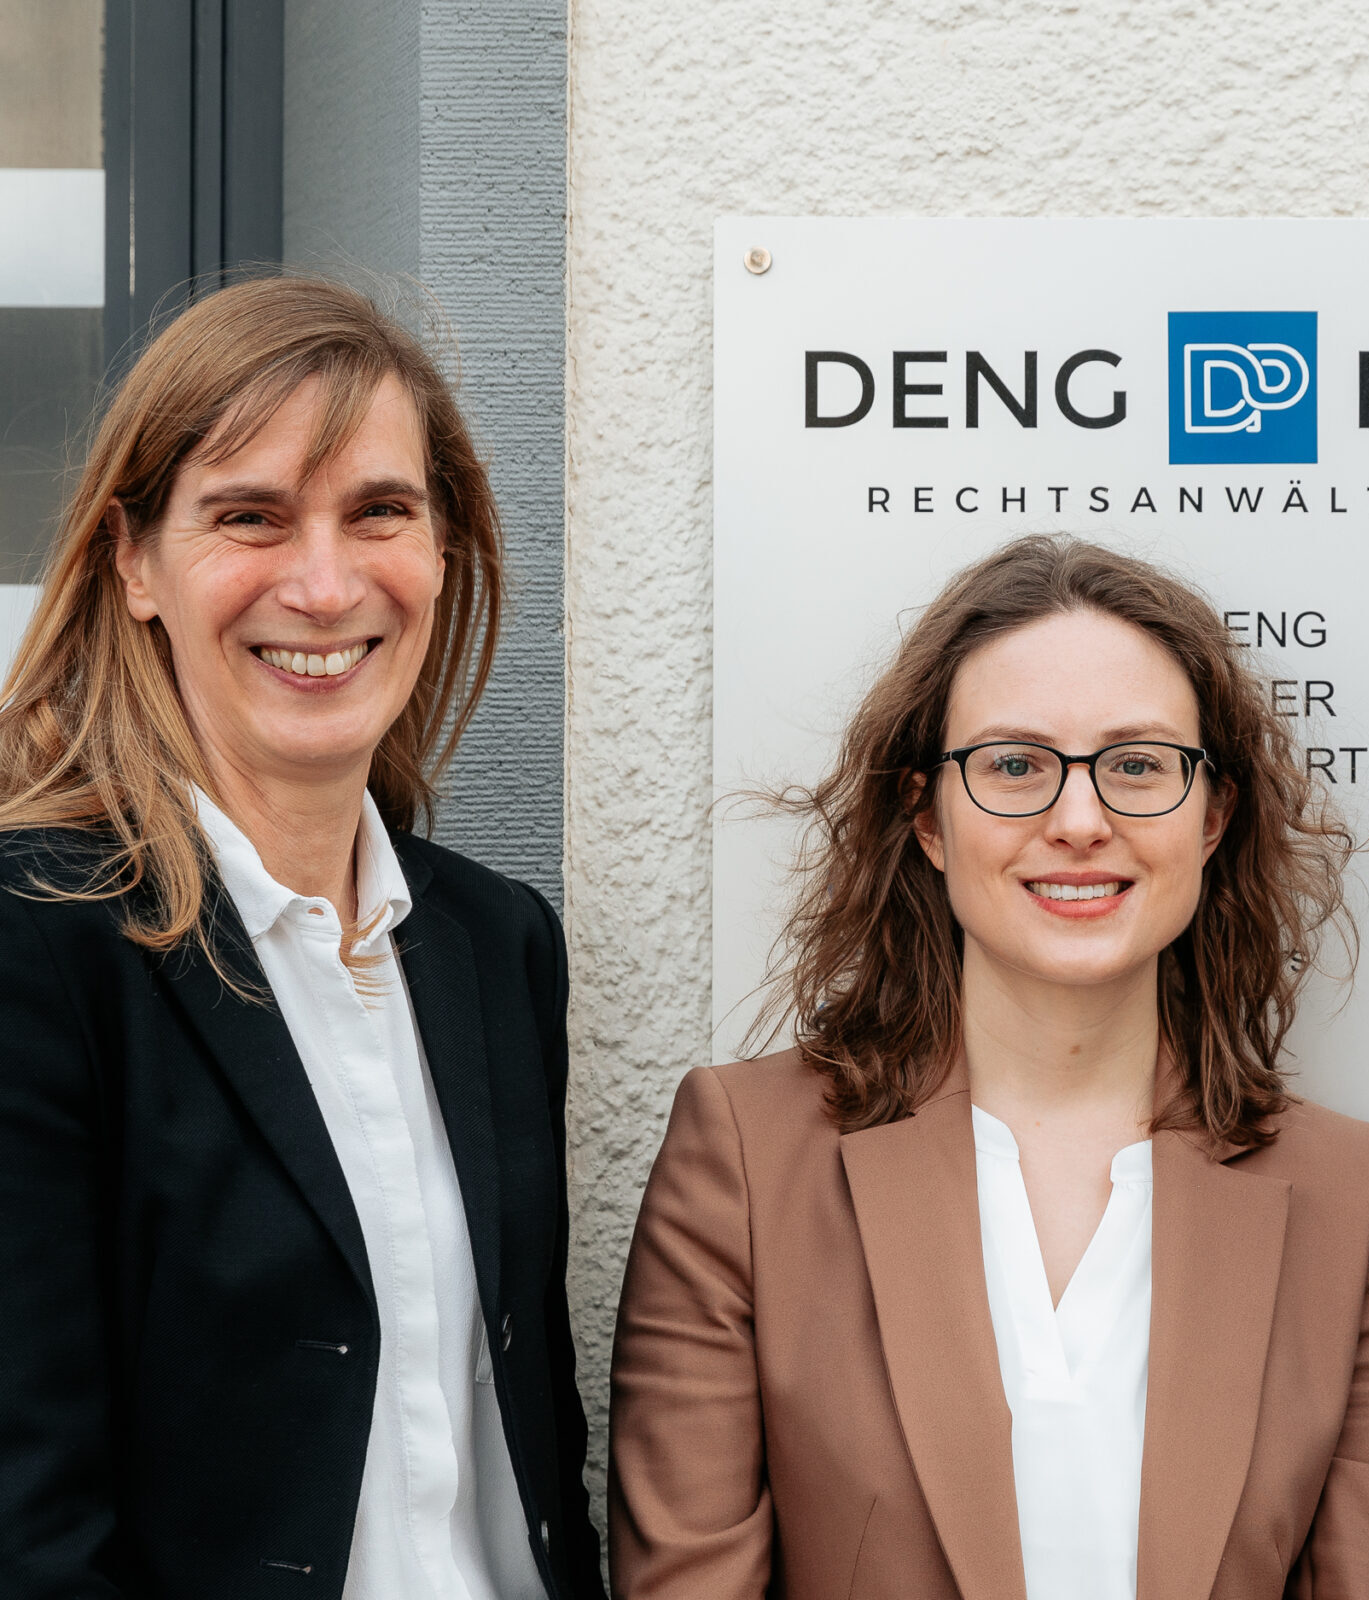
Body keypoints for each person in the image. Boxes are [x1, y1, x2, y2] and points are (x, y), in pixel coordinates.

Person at [610, 535, 1369, 1600]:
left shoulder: (1348, 1199)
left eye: (1136, 764)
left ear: (1212, 816)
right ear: (925, 815)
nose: (1079, 822)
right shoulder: (746, 1160)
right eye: (1013, 765)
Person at [0, 275, 604, 1600]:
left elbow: (527, 1446)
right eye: (250, 517)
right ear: (133, 561)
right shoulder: (36, 944)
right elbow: (27, 1524)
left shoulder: (496, 946)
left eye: (379, 512)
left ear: (442, 549)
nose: (325, 586)